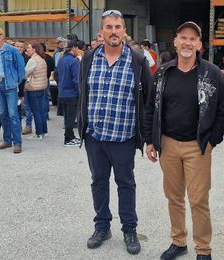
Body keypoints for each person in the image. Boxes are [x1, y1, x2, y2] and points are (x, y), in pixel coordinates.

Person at [144, 21, 224, 260]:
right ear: (176, 41)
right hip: (168, 144)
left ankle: (203, 249)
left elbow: (223, 109)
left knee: (199, 199)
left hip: (198, 146)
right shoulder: (162, 72)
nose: (187, 43)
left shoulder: (212, 74)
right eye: (183, 38)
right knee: (174, 197)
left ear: (199, 45)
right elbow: (151, 107)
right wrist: (150, 140)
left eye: (193, 39)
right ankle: (178, 241)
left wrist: (212, 140)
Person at [77, 9, 152, 255]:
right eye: (108, 27)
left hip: (123, 137)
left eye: (118, 27)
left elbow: (147, 99)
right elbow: (83, 93)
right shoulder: (89, 58)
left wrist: (147, 136)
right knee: (98, 182)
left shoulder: (137, 61)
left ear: (124, 31)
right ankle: (102, 226)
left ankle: (129, 229)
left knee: (125, 183)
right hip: (95, 136)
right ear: (101, 31)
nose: (113, 31)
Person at [0, 27, 25, 153]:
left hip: (10, 86)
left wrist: (14, 82)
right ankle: (7, 140)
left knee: (13, 114)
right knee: (2, 114)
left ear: (3, 36)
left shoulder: (13, 51)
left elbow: (21, 70)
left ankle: (17, 143)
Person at [57, 40, 80, 146]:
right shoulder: (74, 62)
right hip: (71, 93)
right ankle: (69, 138)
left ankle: (69, 136)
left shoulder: (61, 60)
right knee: (71, 117)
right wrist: (79, 92)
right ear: (73, 48)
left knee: (67, 117)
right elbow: (77, 79)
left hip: (62, 92)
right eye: (77, 48)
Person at [24, 43, 48, 140]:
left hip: (33, 88)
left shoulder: (33, 60)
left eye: (29, 48)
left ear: (34, 49)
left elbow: (25, 74)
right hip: (41, 88)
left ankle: (39, 133)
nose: (27, 50)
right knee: (41, 111)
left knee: (36, 111)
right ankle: (44, 131)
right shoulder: (42, 59)